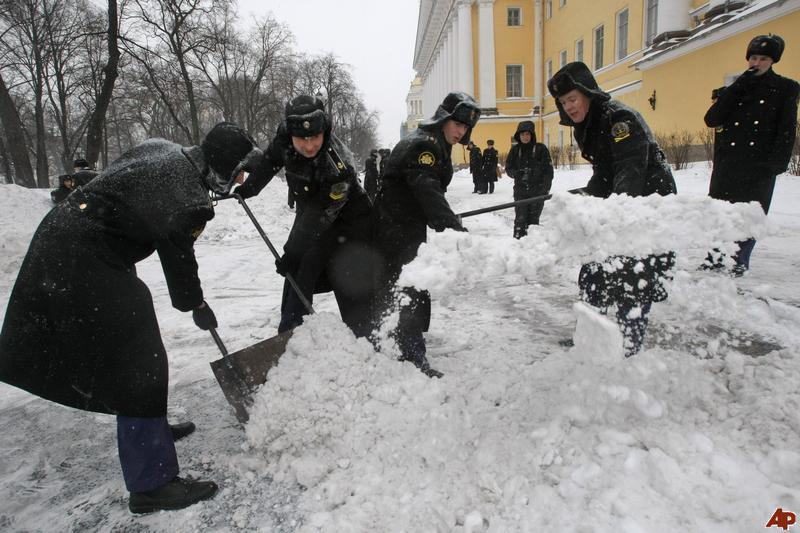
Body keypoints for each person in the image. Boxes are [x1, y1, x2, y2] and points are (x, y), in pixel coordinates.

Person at [0, 122, 262, 513]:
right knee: (141, 360)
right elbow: (179, 259)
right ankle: (150, 484)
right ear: (222, 168)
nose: (240, 179)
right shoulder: (189, 198)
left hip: (66, 235)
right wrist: (196, 305)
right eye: (238, 172)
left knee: (136, 346)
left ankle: (150, 430)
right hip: (82, 258)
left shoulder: (164, 148)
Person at [548, 62, 676, 358]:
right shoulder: (587, 125)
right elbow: (604, 174)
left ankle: (629, 345)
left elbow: (629, 172)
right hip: (620, 203)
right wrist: (584, 196)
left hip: (646, 205)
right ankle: (589, 336)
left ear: (588, 93)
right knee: (593, 271)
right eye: (563, 102)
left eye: (572, 99)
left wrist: (612, 213)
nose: (568, 106)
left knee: (633, 276)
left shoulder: (618, 118)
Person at [235, 95, 374, 338]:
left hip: (349, 221)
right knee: (298, 274)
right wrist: (249, 189)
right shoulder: (284, 141)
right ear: (291, 134)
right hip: (312, 211)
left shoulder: (337, 165)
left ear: (325, 132)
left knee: (346, 274)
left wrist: (293, 251)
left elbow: (321, 214)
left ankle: (363, 337)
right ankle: (291, 335)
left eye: (315, 138)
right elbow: (269, 162)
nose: (309, 146)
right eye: (301, 139)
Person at [372, 91, 480, 377]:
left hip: (401, 224)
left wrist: (442, 218)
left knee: (407, 288)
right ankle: (411, 358)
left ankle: (403, 343)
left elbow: (425, 193)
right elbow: (426, 189)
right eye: (456, 124)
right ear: (443, 119)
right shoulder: (426, 147)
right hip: (397, 228)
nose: (460, 131)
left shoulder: (430, 141)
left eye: (465, 127)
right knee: (410, 289)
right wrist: (450, 226)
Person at [702, 34, 799, 275]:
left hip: (759, 165)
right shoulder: (734, 89)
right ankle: (714, 256)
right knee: (721, 213)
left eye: (763, 58)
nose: (757, 62)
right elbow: (712, 119)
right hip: (729, 165)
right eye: (753, 57)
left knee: (750, 216)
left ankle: (739, 259)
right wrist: (735, 89)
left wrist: (776, 164)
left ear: (773, 61)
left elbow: (786, 129)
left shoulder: (785, 89)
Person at [504, 120, 554, 238]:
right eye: (522, 134)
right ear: (518, 136)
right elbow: (508, 168)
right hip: (520, 192)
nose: (525, 137)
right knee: (520, 221)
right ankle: (518, 244)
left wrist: (545, 190)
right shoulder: (515, 150)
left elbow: (548, 172)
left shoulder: (540, 149)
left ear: (532, 135)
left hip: (537, 192)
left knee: (533, 222)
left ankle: (533, 247)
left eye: (527, 134)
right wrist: (517, 174)